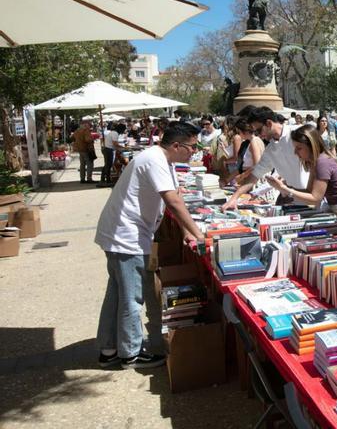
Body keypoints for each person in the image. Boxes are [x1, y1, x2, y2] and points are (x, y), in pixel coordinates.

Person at [94, 122, 206, 369]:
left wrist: (188, 231)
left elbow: (172, 196)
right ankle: (130, 353)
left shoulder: (164, 160)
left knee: (117, 293)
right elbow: (173, 200)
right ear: (176, 145)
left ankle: (109, 348)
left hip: (124, 234)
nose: (194, 152)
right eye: (192, 147)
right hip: (126, 237)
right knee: (132, 297)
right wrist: (199, 234)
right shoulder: (154, 159)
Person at [265, 125, 337, 230]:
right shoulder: (316, 162)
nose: (295, 152)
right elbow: (309, 191)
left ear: (311, 145)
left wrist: (286, 190)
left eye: (299, 148)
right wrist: (284, 187)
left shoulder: (322, 162)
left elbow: (315, 199)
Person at [221, 107, 308, 210]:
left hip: (309, 198)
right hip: (289, 199)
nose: (258, 135)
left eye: (258, 130)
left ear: (269, 124)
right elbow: (255, 175)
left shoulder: (297, 134)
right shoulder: (271, 148)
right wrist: (234, 198)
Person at [232, 117, 265, 185]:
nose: (238, 135)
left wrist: (242, 176)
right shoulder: (256, 140)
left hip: (254, 181)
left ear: (245, 131)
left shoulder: (253, 142)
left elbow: (256, 164)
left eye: (239, 132)